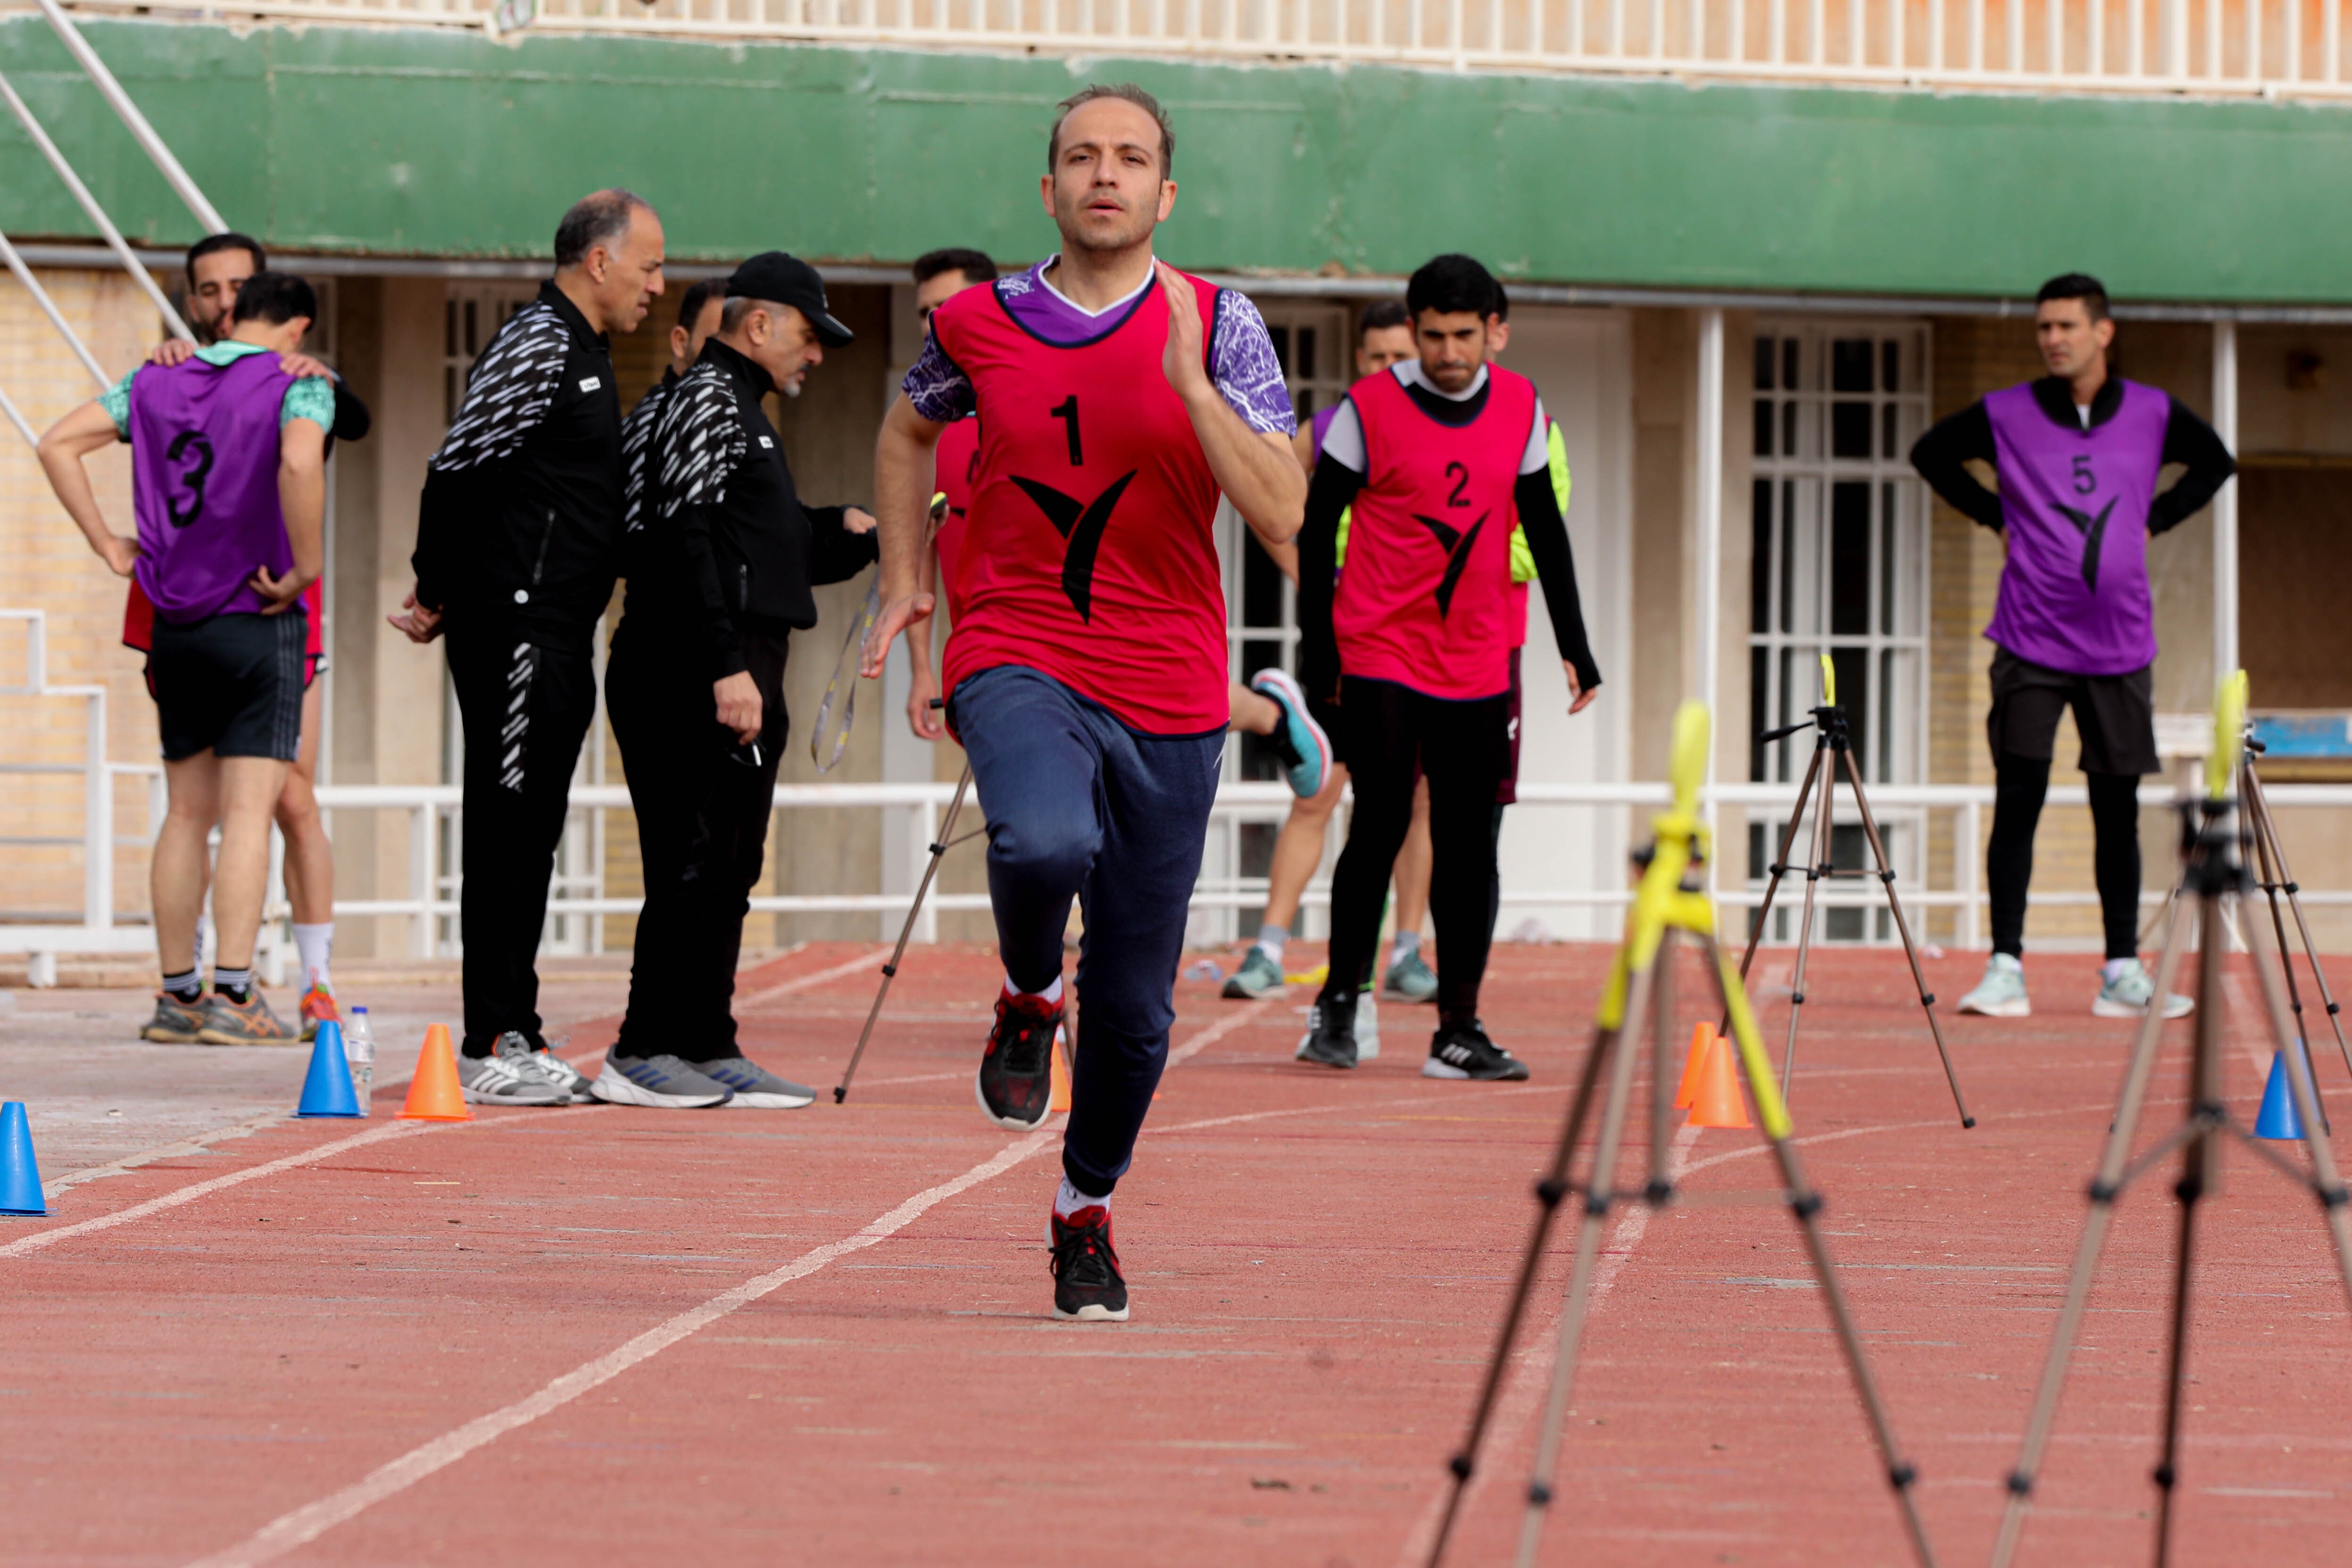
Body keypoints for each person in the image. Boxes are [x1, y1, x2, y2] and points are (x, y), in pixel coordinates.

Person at [864, 83, 1305, 1320]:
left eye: (1130, 158)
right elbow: (902, 437)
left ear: (1166, 192)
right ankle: (1025, 992)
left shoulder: (1219, 321)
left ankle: (1083, 1205)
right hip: (1017, 647)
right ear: (1048, 186)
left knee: (1135, 1013)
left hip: (1169, 682)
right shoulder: (977, 322)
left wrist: (1195, 388)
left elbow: (1284, 512)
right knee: (1041, 839)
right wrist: (905, 582)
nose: (1104, 174)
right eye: (1081, 156)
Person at [1295, 253, 1601, 1080]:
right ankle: (1339, 1003)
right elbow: (1317, 530)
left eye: (1463, 335)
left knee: (1470, 844)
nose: (1447, 353)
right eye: (1431, 336)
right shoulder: (1367, 409)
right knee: (1382, 821)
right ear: (1414, 329)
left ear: (1493, 332)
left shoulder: (1520, 406)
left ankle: (1458, 1029)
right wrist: (1319, 654)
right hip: (1380, 649)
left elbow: (1544, 528)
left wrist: (1574, 645)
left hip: (1474, 658)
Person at [390, 190, 666, 1105]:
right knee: (508, 831)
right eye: (649, 267)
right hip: (516, 628)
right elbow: (457, 467)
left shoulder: (586, 351)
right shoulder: (541, 341)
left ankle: (519, 1030)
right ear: (599, 259)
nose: (656, 288)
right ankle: (490, 1042)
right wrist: (437, 589)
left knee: (534, 833)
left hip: (557, 631)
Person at [1911, 272, 2235, 1020]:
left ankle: (2120, 971)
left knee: (2115, 808)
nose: (2052, 339)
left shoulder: (2152, 411)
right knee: (2017, 798)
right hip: (2028, 636)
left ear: (2102, 331)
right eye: (2043, 328)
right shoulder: (2005, 412)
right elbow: (1928, 453)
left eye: (2065, 326)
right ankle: (2004, 967)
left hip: (2120, 643)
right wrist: (1995, 515)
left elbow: (2215, 463)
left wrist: (2154, 520)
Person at [600, 253, 878, 1109]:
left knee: (728, 865)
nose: (817, 354)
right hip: (690, 664)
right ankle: (640, 1049)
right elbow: (681, 538)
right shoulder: (708, 399)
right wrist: (726, 664)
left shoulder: (741, 410)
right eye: (809, 335)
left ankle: (704, 1040)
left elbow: (760, 550)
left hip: (739, 661)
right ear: (759, 325)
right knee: (687, 864)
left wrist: (854, 535)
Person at [38, 272, 331, 1044]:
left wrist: (107, 543)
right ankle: (235, 996)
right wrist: (304, 567)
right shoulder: (301, 383)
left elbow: (56, 442)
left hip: (174, 621)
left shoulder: (150, 381)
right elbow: (300, 463)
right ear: (298, 327)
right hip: (258, 614)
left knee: (186, 812)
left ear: (234, 315)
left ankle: (178, 997)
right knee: (248, 813)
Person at [131, 232, 374, 1040]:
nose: (224, 300)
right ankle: (216, 991)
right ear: (193, 302)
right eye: (209, 290)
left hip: (265, 606)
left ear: (262, 296)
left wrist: (324, 374)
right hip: (204, 607)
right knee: (216, 807)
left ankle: (309, 980)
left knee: (286, 800)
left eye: (238, 286)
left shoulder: (297, 378)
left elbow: (352, 421)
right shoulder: (168, 372)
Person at [1223, 300, 1431, 1013]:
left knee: (1415, 799)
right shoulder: (1338, 423)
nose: (1387, 368)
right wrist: (1308, 577)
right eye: (1375, 357)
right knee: (1317, 792)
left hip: (1420, 644)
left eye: (1400, 356)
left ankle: (1406, 952)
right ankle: (1267, 948)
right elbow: (1266, 494)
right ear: (1358, 360)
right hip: (1346, 639)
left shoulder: (1445, 425)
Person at [621, 274, 725, 545]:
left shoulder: (725, 416)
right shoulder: (655, 423)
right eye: (717, 345)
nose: (732, 360)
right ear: (680, 342)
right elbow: (636, 542)